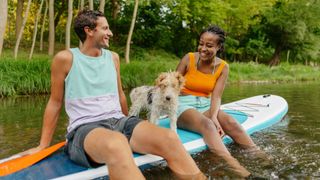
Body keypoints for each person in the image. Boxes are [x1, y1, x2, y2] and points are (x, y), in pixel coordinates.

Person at [21, 10, 205, 180]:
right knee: (117, 143)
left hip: (118, 121)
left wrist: (130, 124)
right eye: (105, 28)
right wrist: (43, 145)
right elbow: (55, 102)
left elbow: (119, 95)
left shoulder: (113, 57)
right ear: (89, 31)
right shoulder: (65, 58)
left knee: (170, 138)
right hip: (85, 128)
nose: (110, 33)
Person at [176, 25, 266, 177]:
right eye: (201, 43)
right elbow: (172, 84)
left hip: (205, 104)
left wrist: (213, 115)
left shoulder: (223, 67)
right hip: (182, 105)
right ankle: (240, 171)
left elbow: (216, 97)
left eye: (209, 45)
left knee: (231, 122)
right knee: (208, 126)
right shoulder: (188, 58)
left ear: (219, 47)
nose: (203, 48)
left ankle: (264, 160)